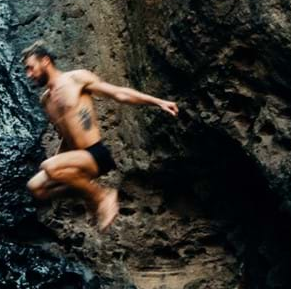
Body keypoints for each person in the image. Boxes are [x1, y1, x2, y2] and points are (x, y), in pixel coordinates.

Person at [21, 40, 180, 231]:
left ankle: (102, 196)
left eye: (30, 68)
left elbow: (118, 93)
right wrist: (58, 163)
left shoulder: (76, 78)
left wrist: (157, 102)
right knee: (36, 187)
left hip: (96, 154)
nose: (28, 75)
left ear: (45, 61)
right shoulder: (46, 100)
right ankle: (86, 192)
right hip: (76, 158)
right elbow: (66, 137)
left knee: (49, 166)